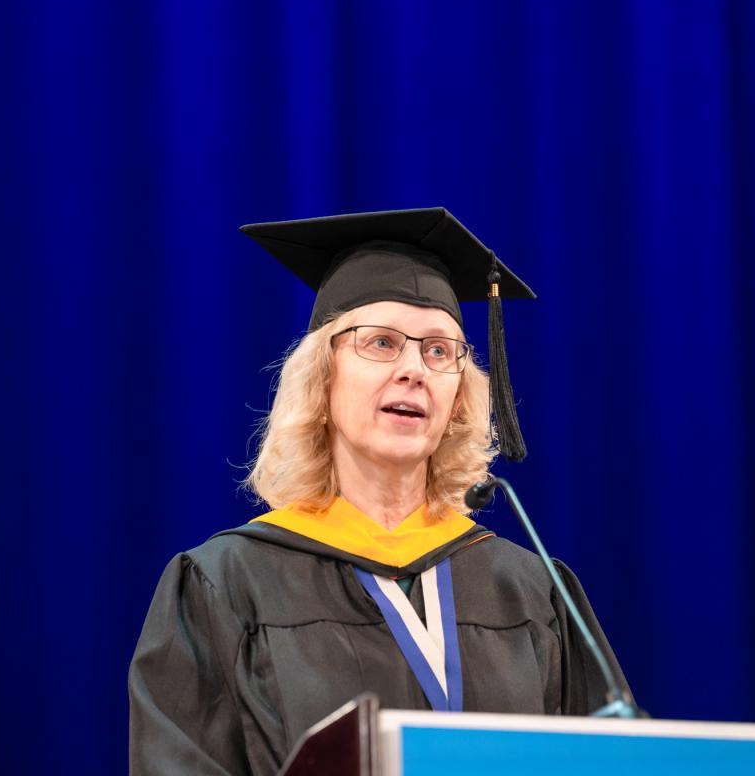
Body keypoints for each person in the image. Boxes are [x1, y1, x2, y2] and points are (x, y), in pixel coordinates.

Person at [128, 208, 631, 775]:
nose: (414, 368)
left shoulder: (530, 590)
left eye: (439, 351)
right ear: (322, 377)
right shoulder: (225, 584)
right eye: (382, 343)